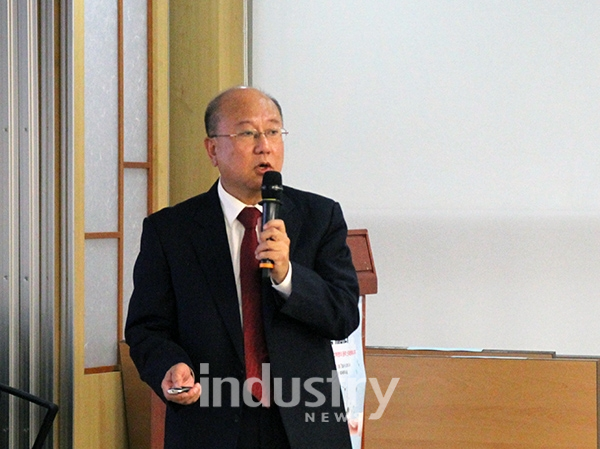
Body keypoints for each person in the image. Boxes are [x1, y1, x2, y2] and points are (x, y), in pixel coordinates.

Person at [125, 86, 360, 449]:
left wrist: (287, 275)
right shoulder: (171, 230)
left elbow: (344, 315)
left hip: (304, 426)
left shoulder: (319, 217)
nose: (264, 145)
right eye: (248, 132)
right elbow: (146, 329)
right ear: (212, 149)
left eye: (273, 131)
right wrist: (169, 367)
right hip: (209, 422)